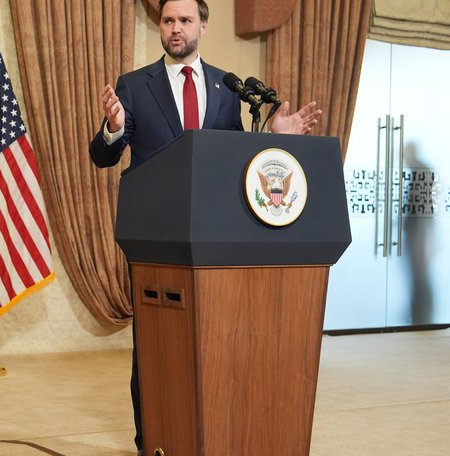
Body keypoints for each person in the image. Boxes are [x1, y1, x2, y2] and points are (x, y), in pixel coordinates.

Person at [88, 0, 322, 453]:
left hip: (213, 238)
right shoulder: (134, 86)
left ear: (203, 26)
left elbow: (234, 161)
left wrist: (275, 138)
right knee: (154, 345)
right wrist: (113, 128)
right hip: (155, 237)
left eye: (185, 20)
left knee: (215, 343)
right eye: (168, 21)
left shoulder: (227, 86)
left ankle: (211, 434)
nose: (175, 28)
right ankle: (152, 439)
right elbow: (103, 157)